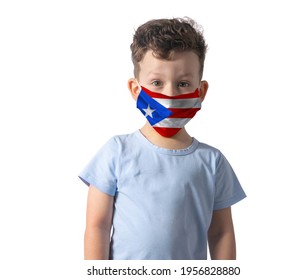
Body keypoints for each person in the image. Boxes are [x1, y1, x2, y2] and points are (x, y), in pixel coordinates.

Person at [79, 17, 246, 260]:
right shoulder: (117, 151)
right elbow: (97, 227)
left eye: (183, 83)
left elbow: (221, 233)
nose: (169, 94)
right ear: (136, 90)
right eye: (157, 82)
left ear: (200, 92)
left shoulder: (212, 161)